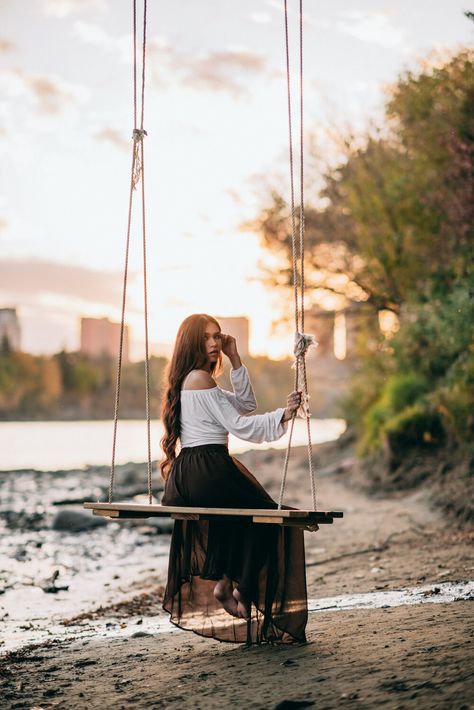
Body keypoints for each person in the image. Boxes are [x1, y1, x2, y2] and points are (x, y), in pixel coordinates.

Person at [160, 313, 308, 644]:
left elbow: (245, 405)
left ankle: (227, 585)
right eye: (206, 338)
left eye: (217, 336)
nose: (214, 343)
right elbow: (240, 426)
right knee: (270, 517)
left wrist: (236, 358)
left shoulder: (194, 380)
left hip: (197, 470)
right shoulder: (200, 379)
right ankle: (240, 589)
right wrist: (282, 415)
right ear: (191, 344)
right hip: (207, 468)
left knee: (240, 519)